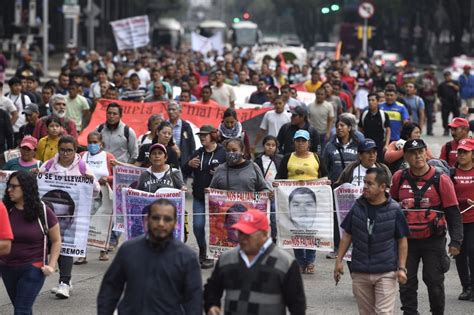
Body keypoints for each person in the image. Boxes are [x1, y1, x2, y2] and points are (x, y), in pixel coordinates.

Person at [390, 139, 463, 315]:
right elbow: (390, 208)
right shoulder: (399, 178)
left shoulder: (441, 179)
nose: (418, 156)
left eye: (421, 151)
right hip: (406, 242)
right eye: (413, 153)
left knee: (434, 282)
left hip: (434, 241)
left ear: (426, 153)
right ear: (406, 156)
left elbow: (453, 212)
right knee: (406, 283)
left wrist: (456, 242)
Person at [97, 199, 203, 314]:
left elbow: (194, 300)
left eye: (167, 219)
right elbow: (110, 288)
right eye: (156, 218)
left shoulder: (187, 257)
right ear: (147, 219)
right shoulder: (128, 250)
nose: (161, 223)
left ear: (175, 223)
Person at [334, 168, 409, 315]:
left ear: (382, 187)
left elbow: (402, 240)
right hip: (360, 271)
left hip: (386, 271)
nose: (365, 187)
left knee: (383, 313)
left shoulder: (394, 209)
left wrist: (401, 268)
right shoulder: (357, 207)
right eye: (364, 183)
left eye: (370, 184)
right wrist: (338, 261)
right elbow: (347, 235)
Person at [203, 209, 306, 315]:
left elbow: (297, 304)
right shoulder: (226, 259)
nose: (242, 238)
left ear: (264, 234)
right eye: (240, 233)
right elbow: (212, 288)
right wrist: (212, 305)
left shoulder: (285, 262)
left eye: (248, 234)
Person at [39, 135, 99, 299]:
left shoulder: (82, 167)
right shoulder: (49, 165)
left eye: (69, 150)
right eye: (62, 150)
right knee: (52, 245)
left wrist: (91, 181)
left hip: (69, 213)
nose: (65, 154)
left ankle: (65, 282)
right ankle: (65, 280)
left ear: (75, 150)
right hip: (49, 216)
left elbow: (96, 191)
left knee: (65, 245)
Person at [0, 171, 61, 313]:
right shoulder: (5, 210)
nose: (9, 190)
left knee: (21, 310)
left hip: (33, 267)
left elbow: (57, 240)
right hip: (7, 267)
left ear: (26, 188)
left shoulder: (43, 211)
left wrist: (51, 266)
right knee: (22, 308)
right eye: (8, 186)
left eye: (14, 186)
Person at [276, 129, 326, 273]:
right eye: (298, 140)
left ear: (308, 143)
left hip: (312, 200)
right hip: (293, 200)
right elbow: (280, 176)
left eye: (303, 141)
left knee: (311, 231)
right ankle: (299, 261)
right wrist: (277, 184)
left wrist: (326, 183)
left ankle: (310, 262)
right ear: (294, 142)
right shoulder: (287, 158)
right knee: (296, 231)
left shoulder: (316, 157)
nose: (300, 143)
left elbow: (325, 175)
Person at [182, 125, 226, 269]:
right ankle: (203, 250)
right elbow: (184, 170)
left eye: (205, 135)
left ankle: (211, 255)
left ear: (213, 135)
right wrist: (189, 164)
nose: (201, 137)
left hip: (218, 198)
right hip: (200, 197)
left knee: (217, 229)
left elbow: (233, 169)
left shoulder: (223, 152)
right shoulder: (197, 153)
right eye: (200, 135)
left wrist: (221, 173)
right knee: (198, 226)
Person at [77, 131, 116, 263]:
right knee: (83, 223)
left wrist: (108, 178)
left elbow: (117, 175)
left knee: (103, 221)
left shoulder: (108, 157)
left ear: (101, 144)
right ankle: (82, 254)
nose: (92, 145)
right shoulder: (82, 156)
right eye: (90, 142)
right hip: (86, 193)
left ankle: (103, 250)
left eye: (95, 142)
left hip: (104, 194)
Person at [452, 138, 474, 301]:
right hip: (457, 220)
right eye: (459, 151)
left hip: (473, 219)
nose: (461, 155)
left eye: (465, 152)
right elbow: (448, 195)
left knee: (472, 252)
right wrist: (463, 201)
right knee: (459, 253)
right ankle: (465, 286)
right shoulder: (451, 173)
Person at [358, 93, 391, 162]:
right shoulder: (364, 114)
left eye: (373, 100)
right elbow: (360, 129)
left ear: (378, 101)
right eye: (369, 100)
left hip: (380, 146)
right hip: (366, 146)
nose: (370, 102)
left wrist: (386, 145)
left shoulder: (383, 115)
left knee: (380, 165)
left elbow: (388, 130)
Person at [167, 102, 196, 170]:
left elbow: (191, 145)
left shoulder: (186, 126)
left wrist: (189, 160)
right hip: (167, 159)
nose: (171, 112)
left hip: (182, 161)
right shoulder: (164, 125)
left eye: (173, 109)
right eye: (169, 109)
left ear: (179, 111)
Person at [307, 87, 335, 151]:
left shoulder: (329, 106)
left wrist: (328, 133)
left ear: (325, 95)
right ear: (315, 94)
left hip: (323, 133)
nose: (319, 96)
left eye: (321, 94)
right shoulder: (310, 105)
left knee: (322, 152)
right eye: (318, 94)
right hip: (312, 133)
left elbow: (330, 120)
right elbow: (307, 118)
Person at [438, 71, 460, 136]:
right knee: (444, 117)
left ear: (450, 76)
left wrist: (453, 85)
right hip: (445, 103)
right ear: (444, 77)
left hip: (454, 103)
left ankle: (455, 130)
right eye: (446, 76)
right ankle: (446, 130)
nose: (447, 77)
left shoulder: (455, 82)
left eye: (448, 75)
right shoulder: (442, 84)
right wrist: (441, 101)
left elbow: (458, 89)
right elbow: (439, 95)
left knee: (456, 116)